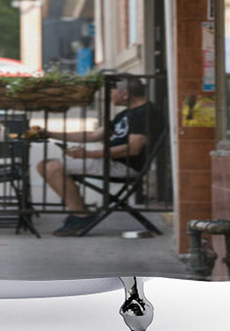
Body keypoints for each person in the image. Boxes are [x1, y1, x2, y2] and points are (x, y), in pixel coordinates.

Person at [36, 77, 163, 237]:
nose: (110, 95)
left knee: (52, 167)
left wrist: (87, 155)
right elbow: (93, 135)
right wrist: (50, 134)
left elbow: (132, 149)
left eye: (112, 91)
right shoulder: (126, 113)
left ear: (125, 94)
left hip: (126, 166)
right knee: (44, 164)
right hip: (111, 161)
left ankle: (81, 215)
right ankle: (79, 210)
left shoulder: (145, 113)